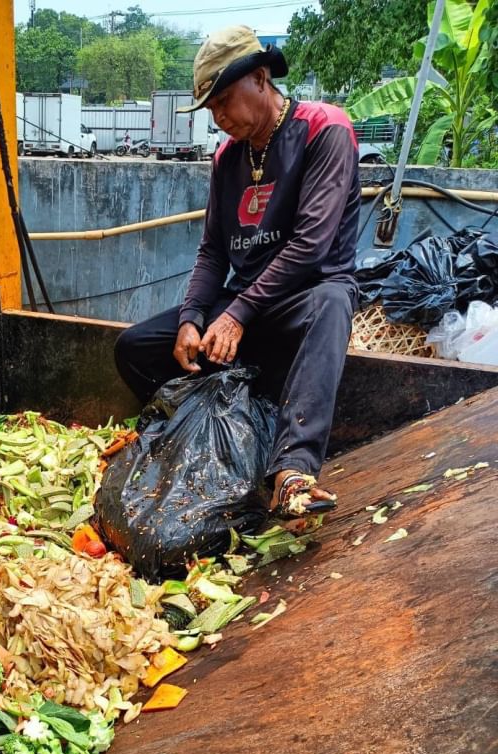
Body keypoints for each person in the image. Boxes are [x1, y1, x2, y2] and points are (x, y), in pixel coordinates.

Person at [114, 25, 360, 518]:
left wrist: (236, 315)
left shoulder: (324, 129)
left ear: (262, 78)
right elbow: (212, 252)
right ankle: (206, 440)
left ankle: (292, 468)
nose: (220, 116)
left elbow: (311, 246)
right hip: (244, 305)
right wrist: (192, 317)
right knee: (136, 348)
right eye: (212, 108)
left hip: (303, 300)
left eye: (226, 99)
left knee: (333, 303)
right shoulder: (228, 157)